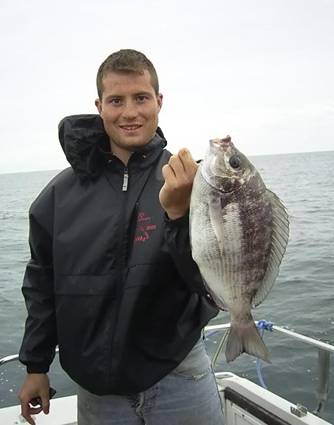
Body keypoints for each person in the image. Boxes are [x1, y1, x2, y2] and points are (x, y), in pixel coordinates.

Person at [18, 49, 224, 425]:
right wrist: (35, 365)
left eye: (141, 98)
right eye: (116, 100)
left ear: (159, 102)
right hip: (98, 393)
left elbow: (212, 286)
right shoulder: (57, 197)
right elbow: (41, 284)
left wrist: (178, 214)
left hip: (179, 376)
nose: (129, 112)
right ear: (99, 106)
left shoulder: (193, 181)